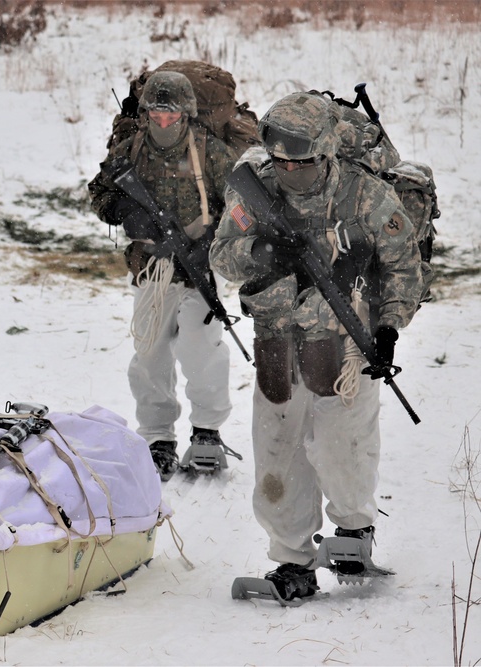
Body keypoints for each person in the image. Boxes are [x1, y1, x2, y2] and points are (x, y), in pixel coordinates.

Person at [209, 91, 423, 601]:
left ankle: (353, 532)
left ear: (325, 152)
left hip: (345, 344)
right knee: (278, 456)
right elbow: (223, 254)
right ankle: (291, 560)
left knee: (341, 447)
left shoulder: (364, 196)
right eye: (280, 159)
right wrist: (261, 249)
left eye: (300, 161)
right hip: (276, 342)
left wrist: (390, 327)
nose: (288, 168)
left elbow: (402, 267)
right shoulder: (253, 193)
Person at [88, 70, 236, 480]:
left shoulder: (210, 152)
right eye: (156, 115)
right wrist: (123, 211)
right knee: (149, 353)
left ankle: (207, 431)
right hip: (152, 266)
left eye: (172, 117)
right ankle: (157, 437)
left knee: (200, 345)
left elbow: (244, 204)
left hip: (200, 266)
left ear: (186, 114)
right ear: (147, 113)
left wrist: (213, 242)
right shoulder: (130, 149)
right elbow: (100, 192)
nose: (164, 123)